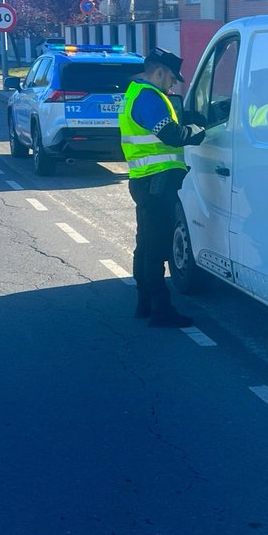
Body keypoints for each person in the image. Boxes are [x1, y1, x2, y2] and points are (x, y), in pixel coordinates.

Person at [119, 48, 205, 327]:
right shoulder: (148, 98)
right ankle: (161, 310)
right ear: (159, 72)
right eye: (171, 78)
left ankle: (144, 304)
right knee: (156, 249)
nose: (173, 84)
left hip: (145, 180)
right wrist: (198, 131)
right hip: (157, 182)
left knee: (145, 245)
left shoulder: (137, 93)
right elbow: (171, 135)